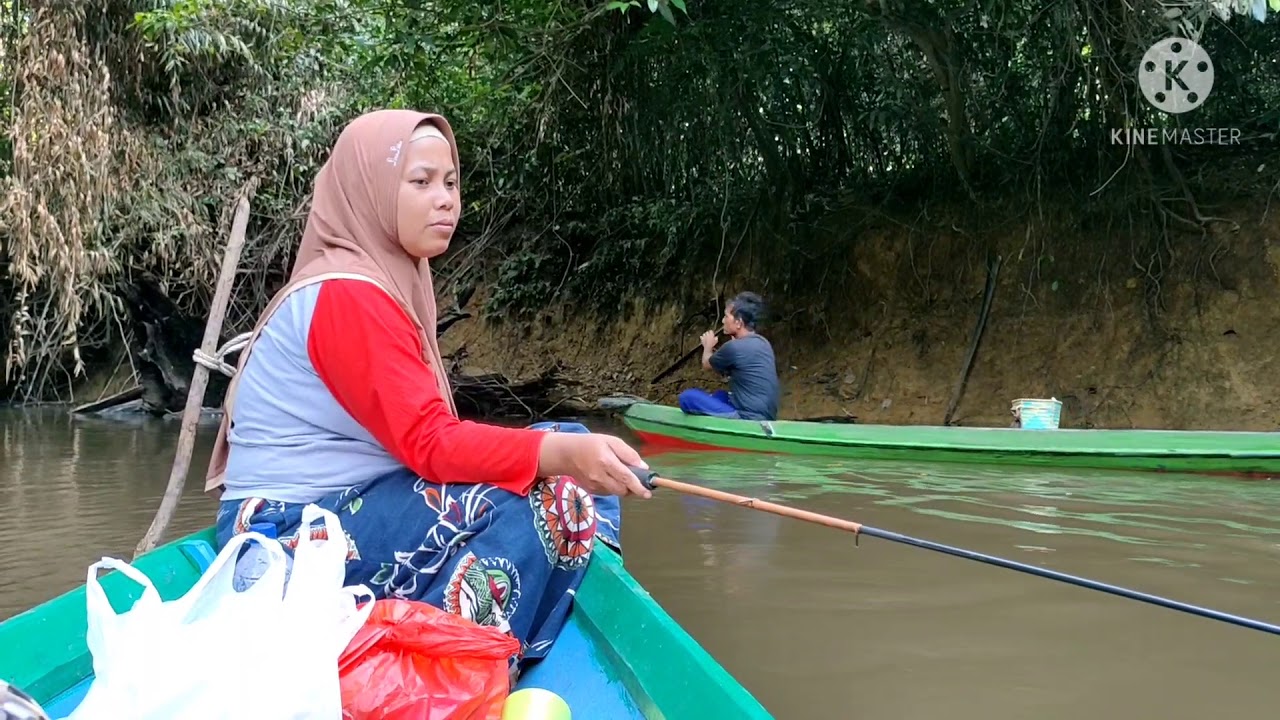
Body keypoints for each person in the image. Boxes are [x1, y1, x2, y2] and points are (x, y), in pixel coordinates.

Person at [202, 109, 652, 674]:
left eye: (451, 182)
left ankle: (544, 606)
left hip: (345, 509)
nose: (445, 200)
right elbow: (430, 445)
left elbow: (427, 438)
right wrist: (556, 460)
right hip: (281, 545)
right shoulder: (350, 295)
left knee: (576, 440)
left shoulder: (390, 276)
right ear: (371, 190)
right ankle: (442, 676)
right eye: (420, 182)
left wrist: (563, 451)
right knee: (552, 494)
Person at [677, 291, 780, 421]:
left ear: (738, 323)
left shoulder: (733, 348)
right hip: (766, 416)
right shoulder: (763, 343)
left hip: (747, 417)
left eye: (726, 316)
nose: (722, 320)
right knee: (721, 395)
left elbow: (706, 364)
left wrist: (708, 346)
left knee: (687, 398)